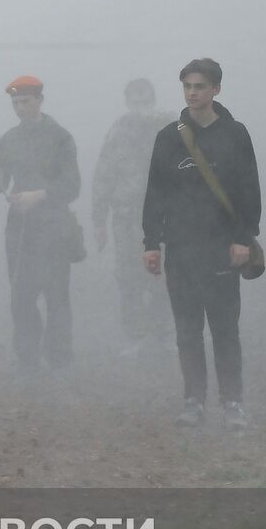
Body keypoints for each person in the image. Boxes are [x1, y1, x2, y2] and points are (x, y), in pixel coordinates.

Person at [142, 58, 260, 429]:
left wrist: (244, 237)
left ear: (216, 90)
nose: (193, 93)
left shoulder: (236, 134)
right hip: (181, 248)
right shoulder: (168, 137)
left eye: (200, 86)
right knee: (187, 330)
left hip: (223, 248)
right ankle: (193, 400)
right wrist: (151, 242)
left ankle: (233, 403)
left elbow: (249, 191)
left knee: (225, 329)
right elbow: (155, 194)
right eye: (187, 86)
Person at [0, 76, 82, 374]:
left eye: (25, 101)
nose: (20, 108)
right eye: (15, 103)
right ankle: (27, 359)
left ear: (40, 100)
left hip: (54, 225)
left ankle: (60, 359)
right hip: (21, 229)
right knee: (21, 295)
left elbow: (72, 185)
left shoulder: (60, 137)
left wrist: (39, 195)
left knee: (56, 296)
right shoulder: (9, 139)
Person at [91, 78, 174, 354]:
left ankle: (161, 334)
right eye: (136, 102)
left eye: (146, 102)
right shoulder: (118, 132)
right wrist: (99, 220)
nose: (141, 108)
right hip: (127, 219)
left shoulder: (172, 129)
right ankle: (136, 337)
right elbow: (103, 176)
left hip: (165, 217)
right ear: (127, 103)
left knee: (165, 276)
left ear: (154, 100)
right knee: (128, 277)